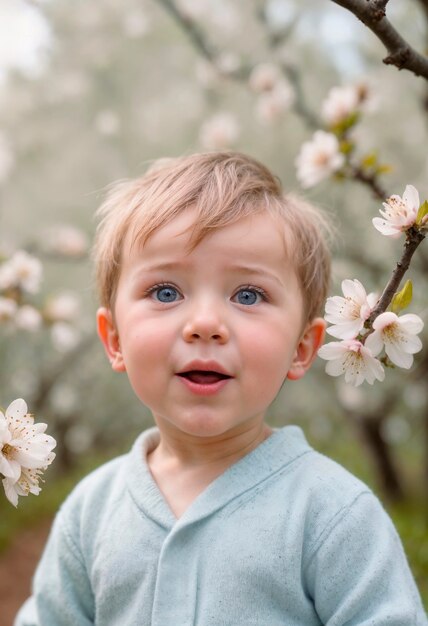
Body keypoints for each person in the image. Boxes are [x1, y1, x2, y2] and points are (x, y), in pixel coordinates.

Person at [15, 152, 427, 625]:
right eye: (166, 292)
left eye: (248, 295)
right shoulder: (91, 511)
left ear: (301, 347)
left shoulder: (332, 514)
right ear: (115, 340)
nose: (206, 324)